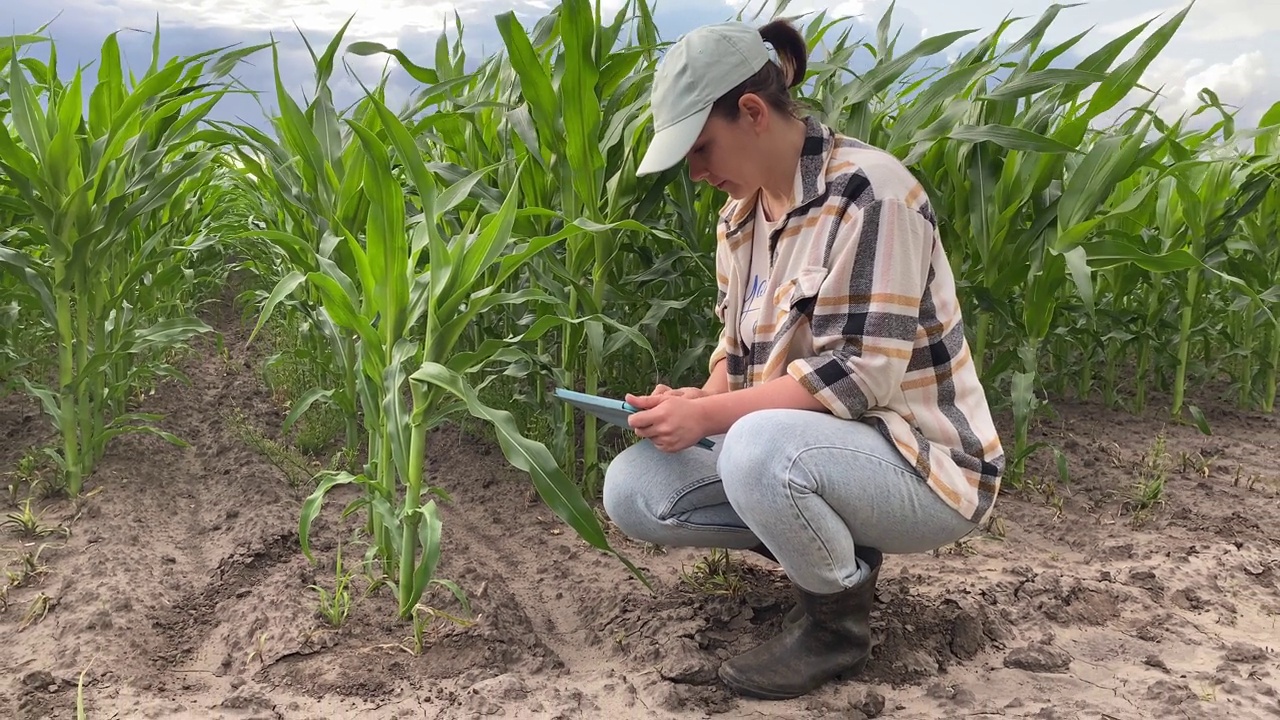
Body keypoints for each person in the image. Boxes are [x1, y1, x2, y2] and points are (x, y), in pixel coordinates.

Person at [600, 18, 1005, 701]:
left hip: (923, 467)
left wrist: (714, 418)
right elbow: (738, 354)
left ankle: (835, 625)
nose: (698, 174)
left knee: (756, 448)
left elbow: (857, 377)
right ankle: (834, 551)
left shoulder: (872, 195)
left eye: (702, 149)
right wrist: (696, 402)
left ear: (752, 112)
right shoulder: (741, 219)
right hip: (809, 449)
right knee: (636, 486)